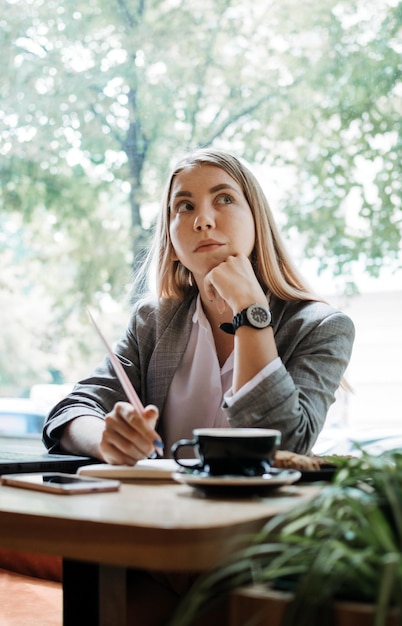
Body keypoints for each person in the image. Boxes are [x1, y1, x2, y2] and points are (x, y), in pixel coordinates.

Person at [44, 148, 354, 464]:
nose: (203, 220)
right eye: (185, 206)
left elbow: (286, 447)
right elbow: (72, 411)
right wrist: (105, 440)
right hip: (159, 512)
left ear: (256, 221)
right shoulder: (152, 322)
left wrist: (249, 310)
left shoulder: (321, 327)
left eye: (224, 199)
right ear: (173, 244)